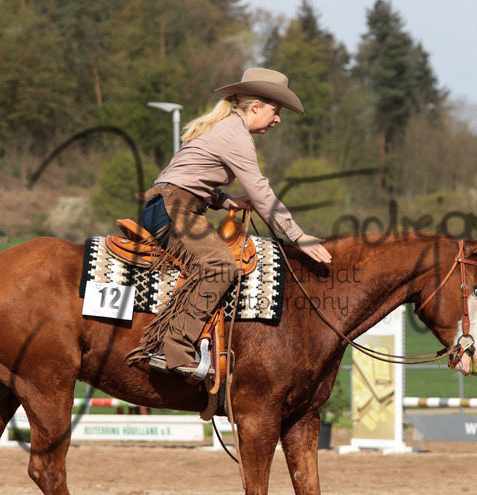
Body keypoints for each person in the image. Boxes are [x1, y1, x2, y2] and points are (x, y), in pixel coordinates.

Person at [128, 67, 332, 376]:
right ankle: (172, 347)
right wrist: (298, 235)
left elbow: (186, 177)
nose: (278, 119)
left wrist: (226, 202)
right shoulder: (236, 136)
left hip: (169, 204)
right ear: (255, 107)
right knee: (221, 266)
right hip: (174, 209)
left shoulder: (224, 128)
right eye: (275, 111)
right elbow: (261, 191)